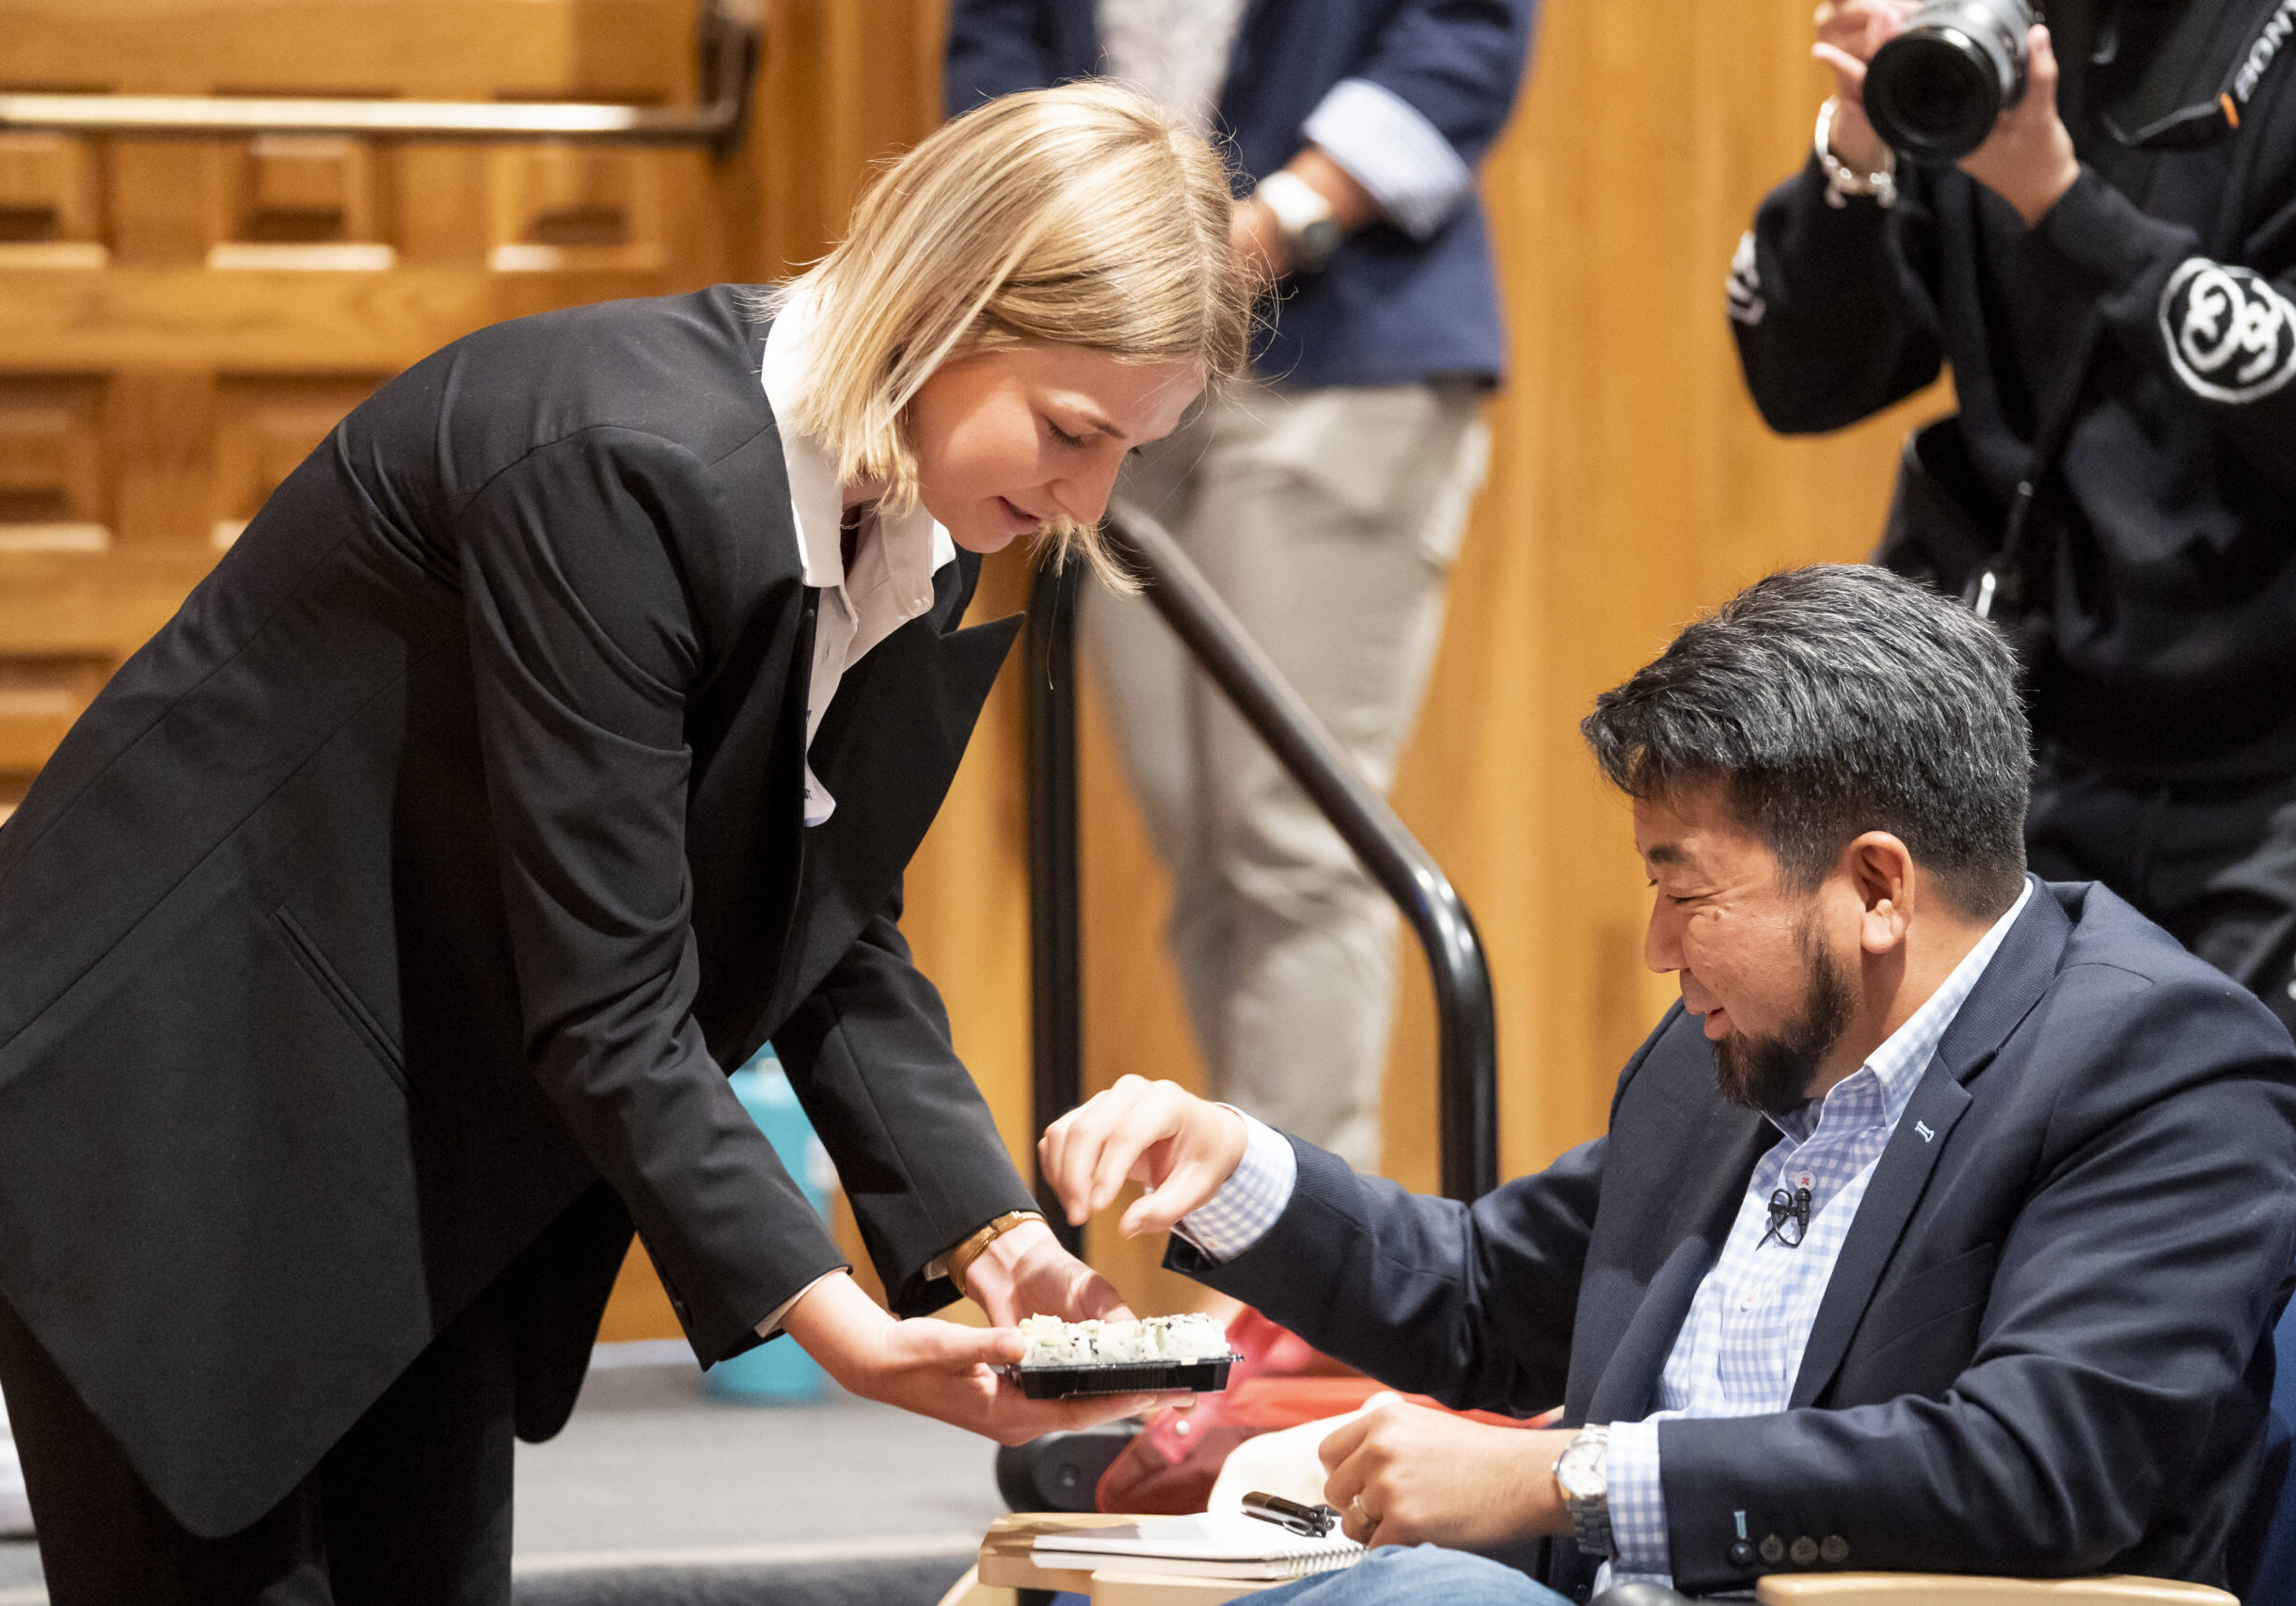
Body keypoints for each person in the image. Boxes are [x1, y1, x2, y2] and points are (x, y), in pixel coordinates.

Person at [0, 82, 1254, 1603]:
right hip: (176, 1104)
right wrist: (842, 1326)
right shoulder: (618, 454)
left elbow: (831, 935)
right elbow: (611, 994)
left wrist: (990, 1241)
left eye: (1134, 449)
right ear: (942, 299)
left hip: (413, 1135)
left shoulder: (904, 521)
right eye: (1072, 429)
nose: (1087, 497)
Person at [1038, 565, 2296, 1602]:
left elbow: (2035, 1465)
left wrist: (1565, 1478)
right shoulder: (1736, 1046)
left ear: (1873, 886)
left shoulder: (2161, 1066)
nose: (1656, 947)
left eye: (1684, 891)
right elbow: (1485, 1294)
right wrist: (1231, 1164)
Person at [947, 0, 1537, 1167]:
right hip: (1109, 343)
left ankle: (1300, 1277)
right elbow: (994, 49)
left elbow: (1465, 35)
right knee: (1202, 846)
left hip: (1334, 344)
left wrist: (1279, 220)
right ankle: (1262, 1239)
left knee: (1290, 844)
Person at [1727, 0, 2296, 1035]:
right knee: (1965, 1146)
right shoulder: (1986, 37)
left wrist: (2061, 204)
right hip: (2020, 736)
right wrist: (1856, 153)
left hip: (2262, 768)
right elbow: (1800, 381)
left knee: (2236, 1147)